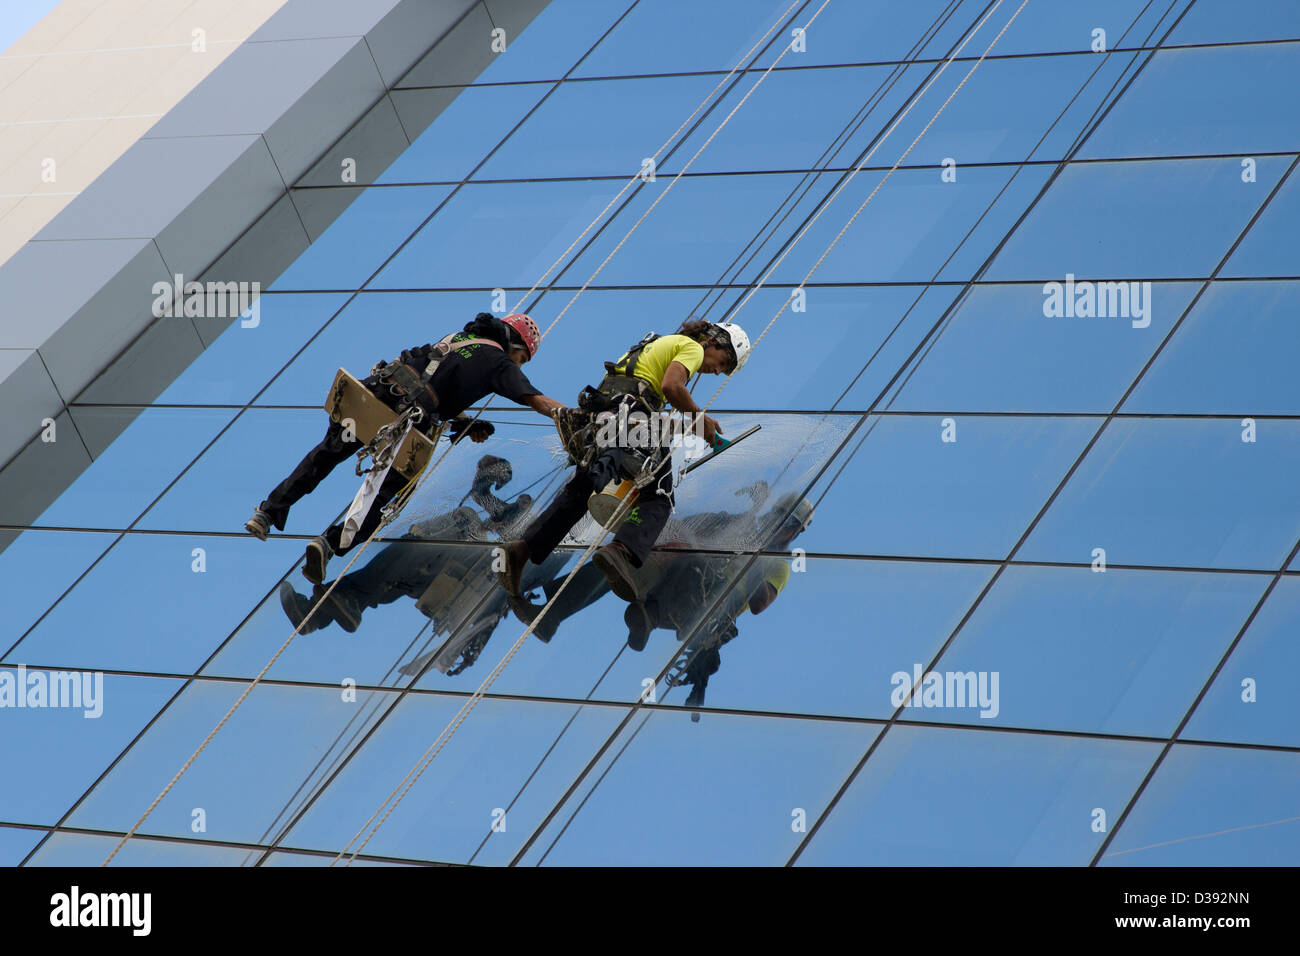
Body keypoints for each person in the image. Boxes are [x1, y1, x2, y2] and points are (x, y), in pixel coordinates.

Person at [243, 312, 566, 583]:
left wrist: (465, 422)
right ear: (512, 342)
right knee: (384, 499)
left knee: (325, 455)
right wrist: (569, 416)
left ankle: (268, 511)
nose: (519, 367)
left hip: (380, 395)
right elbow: (534, 399)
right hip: (411, 420)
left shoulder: (459, 339)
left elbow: (434, 380)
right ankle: (329, 544)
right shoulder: (498, 361)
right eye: (521, 358)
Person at [496, 319, 751, 602]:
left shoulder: (658, 343)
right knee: (659, 496)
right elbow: (671, 386)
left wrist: (689, 425)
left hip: (605, 417)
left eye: (724, 371)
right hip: (632, 418)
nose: (717, 371)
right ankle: (620, 551)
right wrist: (699, 419)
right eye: (723, 362)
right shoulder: (692, 348)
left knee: (583, 488)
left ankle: (522, 550)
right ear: (713, 341)